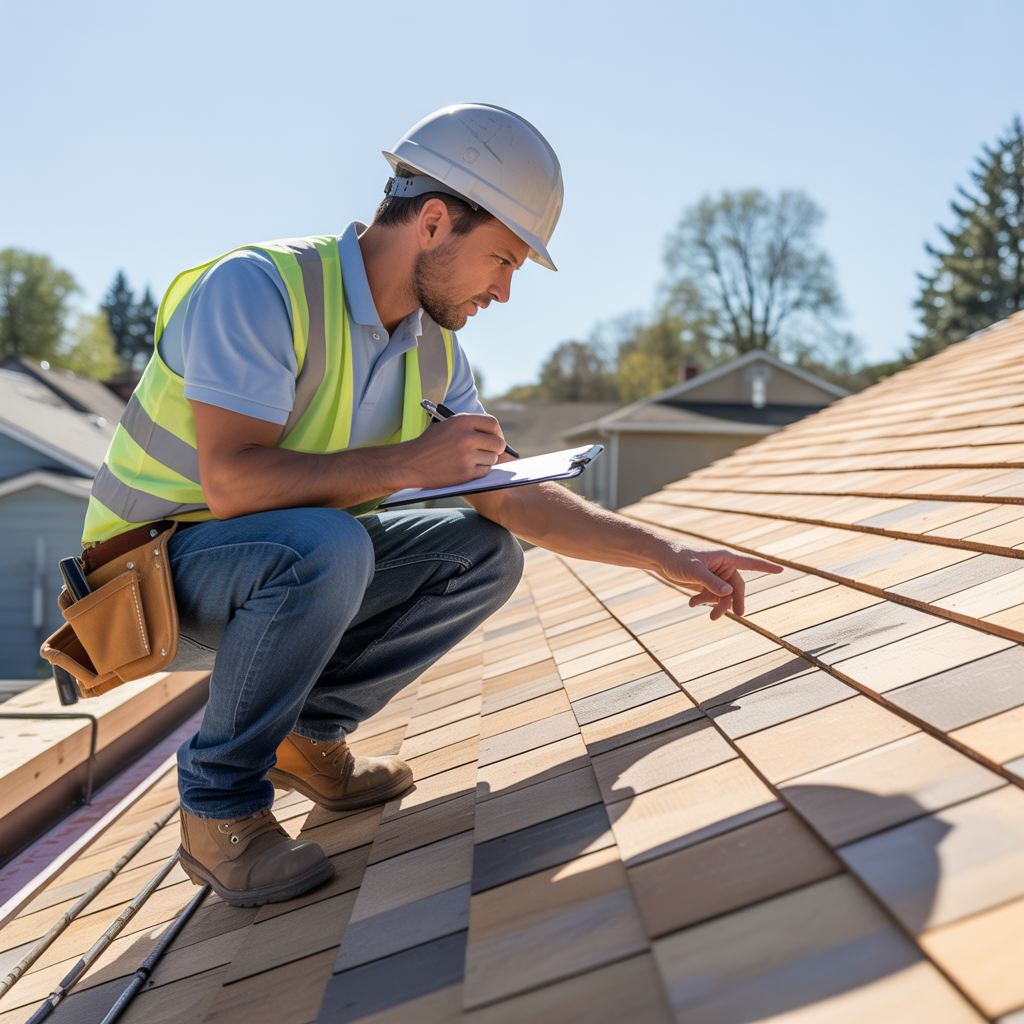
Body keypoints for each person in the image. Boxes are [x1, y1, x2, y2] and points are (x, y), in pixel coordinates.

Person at [81, 103, 781, 907]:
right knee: (329, 545)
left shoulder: (434, 351)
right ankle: (218, 808)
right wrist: (411, 462)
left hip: (281, 568)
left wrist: (664, 554)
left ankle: (306, 737)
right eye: (502, 259)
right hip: (145, 581)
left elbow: (512, 499)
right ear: (436, 221)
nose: (505, 291)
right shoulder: (258, 289)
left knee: (481, 551)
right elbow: (231, 486)